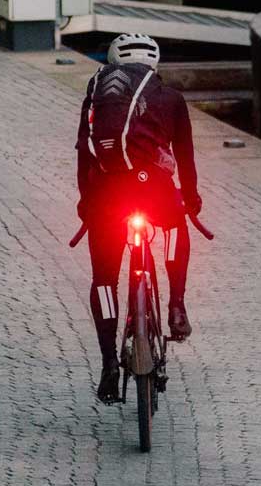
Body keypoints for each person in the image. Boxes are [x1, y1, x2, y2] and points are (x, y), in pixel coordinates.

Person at [75, 32, 203, 404]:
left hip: (106, 196)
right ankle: (176, 304)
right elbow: (186, 155)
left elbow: (84, 152)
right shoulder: (171, 98)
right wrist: (191, 200)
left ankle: (108, 363)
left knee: (104, 281)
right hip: (153, 190)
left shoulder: (97, 96)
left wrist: (86, 202)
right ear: (154, 63)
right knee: (175, 226)